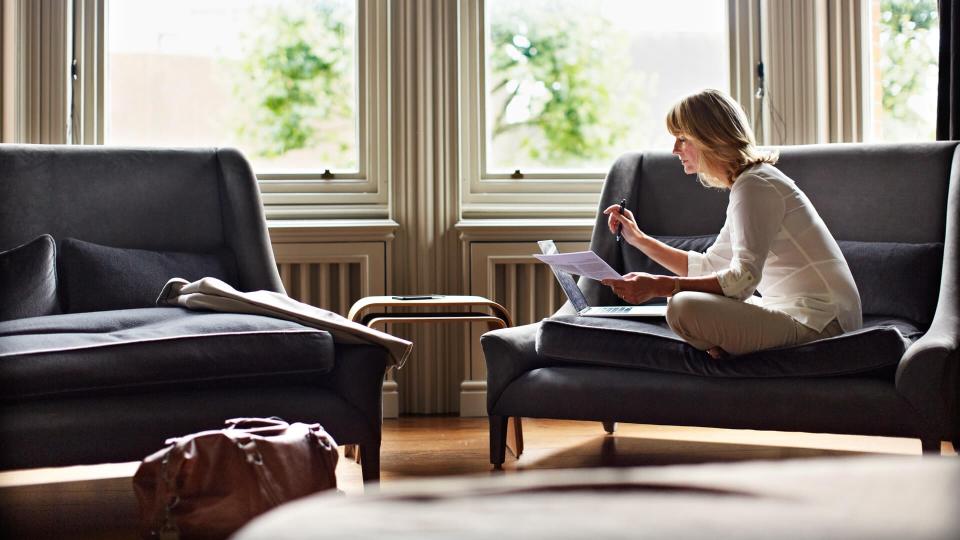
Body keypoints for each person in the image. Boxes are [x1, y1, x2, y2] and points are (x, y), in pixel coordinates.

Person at [601, 89, 862, 359]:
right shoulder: (749, 182)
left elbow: (742, 282)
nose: (675, 150)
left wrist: (660, 284)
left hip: (822, 323)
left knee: (682, 306)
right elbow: (709, 266)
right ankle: (732, 348)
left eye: (682, 139)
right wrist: (639, 239)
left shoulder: (755, 185)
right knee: (683, 300)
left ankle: (731, 349)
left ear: (709, 138)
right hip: (798, 313)